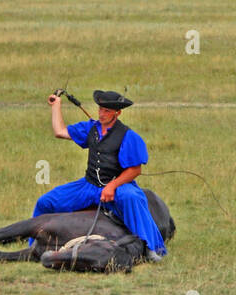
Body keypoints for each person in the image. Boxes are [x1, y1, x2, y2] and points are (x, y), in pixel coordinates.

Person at [33, 90, 166, 260]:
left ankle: (151, 248)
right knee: (46, 202)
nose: (102, 114)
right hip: (89, 185)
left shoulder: (128, 136)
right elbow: (60, 131)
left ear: (117, 113)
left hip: (119, 185)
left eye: (107, 111)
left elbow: (135, 170)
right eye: (100, 109)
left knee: (132, 198)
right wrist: (56, 105)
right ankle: (33, 243)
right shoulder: (90, 128)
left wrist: (112, 186)